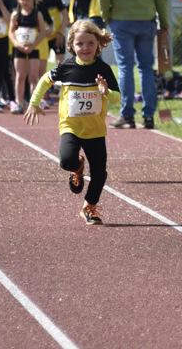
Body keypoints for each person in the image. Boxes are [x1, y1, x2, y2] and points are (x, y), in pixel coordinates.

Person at [25, 19, 120, 226]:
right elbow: (44, 80)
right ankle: (77, 168)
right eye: (80, 44)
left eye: (90, 43)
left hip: (95, 130)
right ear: (72, 45)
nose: (85, 48)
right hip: (71, 126)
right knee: (66, 160)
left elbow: (117, 98)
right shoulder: (66, 67)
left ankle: (89, 207)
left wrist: (107, 92)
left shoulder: (104, 69)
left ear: (98, 45)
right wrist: (34, 102)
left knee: (100, 174)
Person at [95, 0, 169, 129]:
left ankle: (127, 114)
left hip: (121, 19)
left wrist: (106, 15)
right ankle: (148, 116)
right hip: (146, 19)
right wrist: (164, 21)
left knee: (125, 67)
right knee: (146, 67)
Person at [9, 0, 48, 114]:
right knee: (20, 76)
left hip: (33, 49)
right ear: (19, 0)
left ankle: (34, 103)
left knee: (33, 77)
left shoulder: (38, 15)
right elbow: (11, 32)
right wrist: (17, 44)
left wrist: (33, 46)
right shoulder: (16, 15)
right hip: (19, 49)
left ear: (33, 0)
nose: (25, 2)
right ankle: (19, 103)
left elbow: (42, 32)